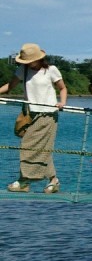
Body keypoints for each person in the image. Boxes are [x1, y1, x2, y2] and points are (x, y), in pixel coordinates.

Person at [1, 43, 67, 193]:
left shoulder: (51, 70)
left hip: (48, 114)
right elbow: (10, 86)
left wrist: (62, 102)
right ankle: (53, 180)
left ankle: (24, 180)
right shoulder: (23, 70)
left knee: (28, 145)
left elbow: (62, 88)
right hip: (30, 114)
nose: (28, 63)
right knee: (41, 148)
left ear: (38, 59)